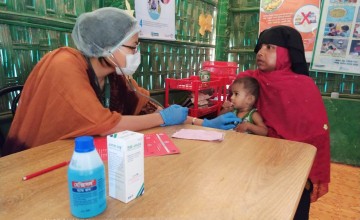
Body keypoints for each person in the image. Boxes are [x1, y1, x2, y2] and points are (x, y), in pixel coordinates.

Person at [3, 7, 240, 156]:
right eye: (133, 47)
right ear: (107, 45)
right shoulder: (65, 64)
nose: (137, 53)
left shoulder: (116, 77)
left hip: (81, 157)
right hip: (38, 159)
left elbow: (150, 109)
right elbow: (104, 124)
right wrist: (162, 118)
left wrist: (202, 124)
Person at [236, 25, 330, 220]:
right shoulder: (248, 82)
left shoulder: (303, 86)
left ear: (287, 54)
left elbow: (316, 135)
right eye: (260, 47)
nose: (261, 52)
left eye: (269, 47)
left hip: (292, 170)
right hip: (251, 167)